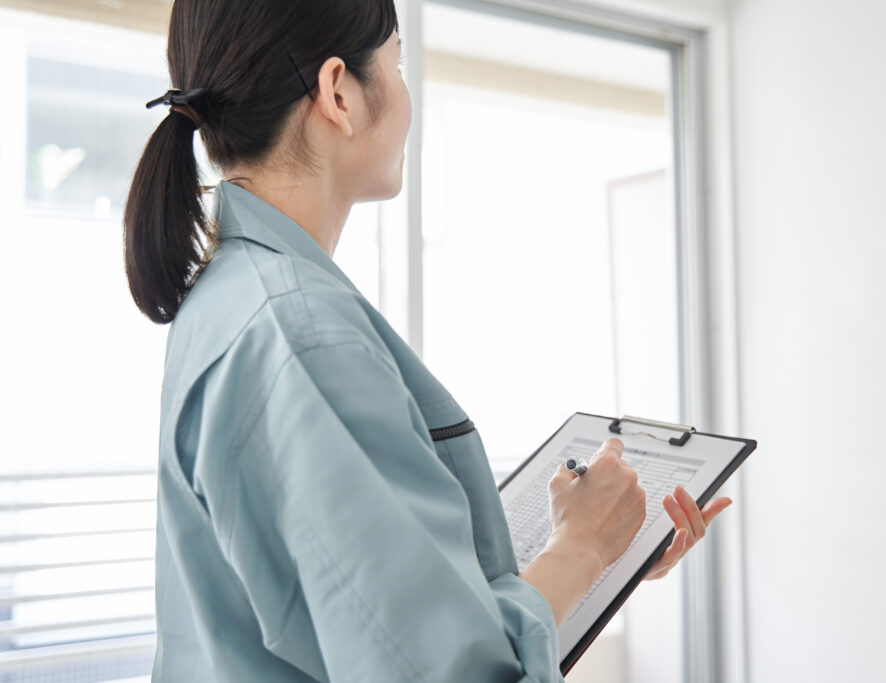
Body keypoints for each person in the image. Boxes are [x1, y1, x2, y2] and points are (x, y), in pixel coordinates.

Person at [123, 0, 733, 680]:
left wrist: (596, 547)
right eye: (397, 63)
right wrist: (582, 548)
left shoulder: (234, 294)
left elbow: (363, 620)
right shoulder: (301, 336)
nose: (407, 93)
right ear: (338, 93)